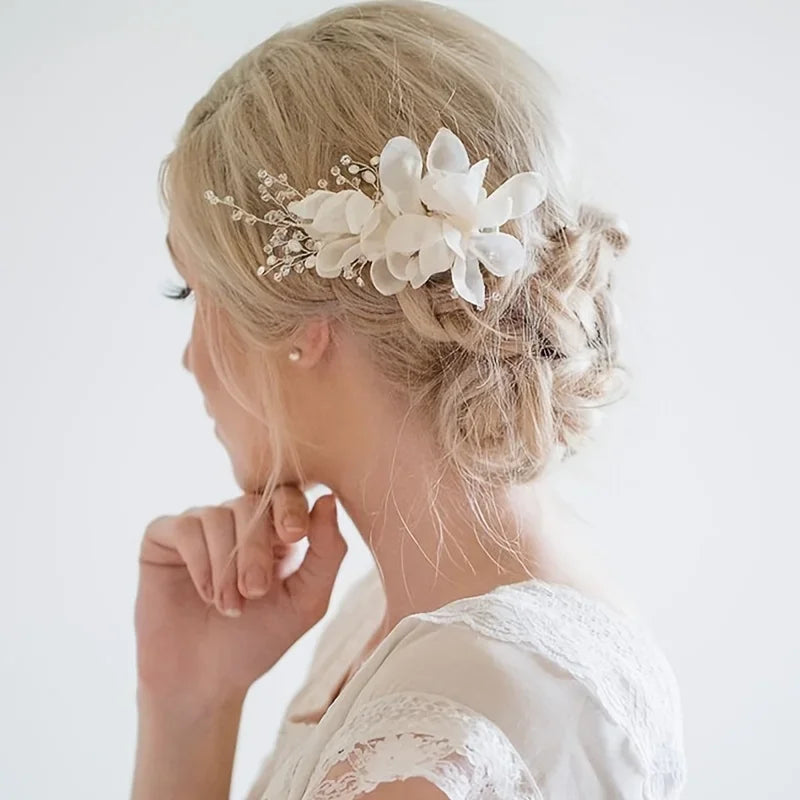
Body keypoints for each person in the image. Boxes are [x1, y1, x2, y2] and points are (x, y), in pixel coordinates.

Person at [131, 1, 688, 798]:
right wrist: (188, 707)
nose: (191, 360)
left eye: (192, 291)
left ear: (301, 318)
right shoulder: (400, 619)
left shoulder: (453, 733)